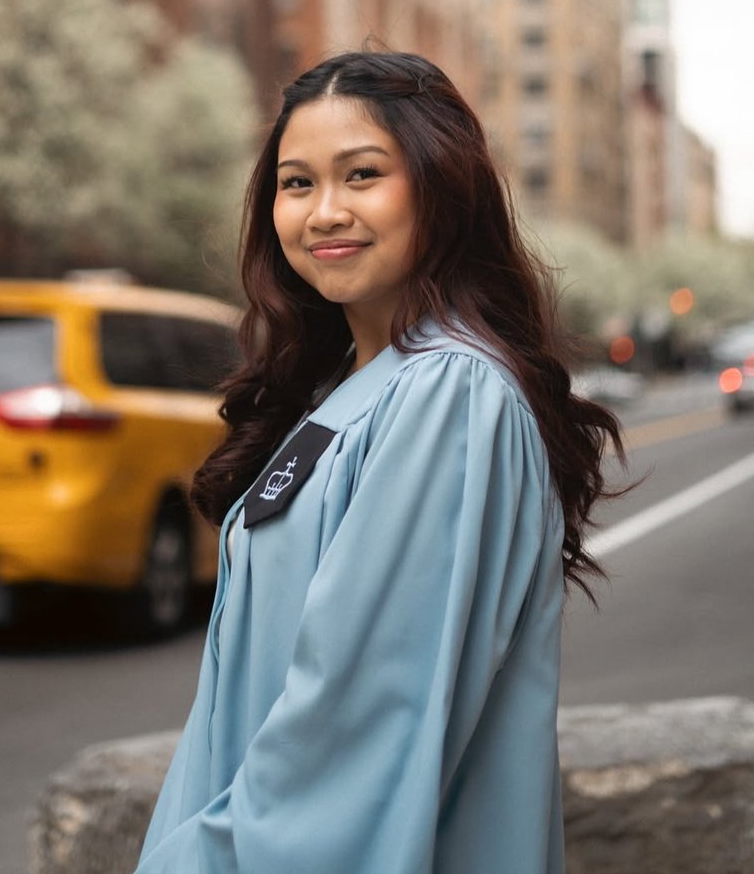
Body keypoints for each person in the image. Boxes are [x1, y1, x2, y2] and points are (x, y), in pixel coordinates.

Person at [134, 51, 622, 874]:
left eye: (362, 175)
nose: (324, 212)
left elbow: (351, 733)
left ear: (442, 187)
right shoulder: (344, 388)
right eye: (297, 184)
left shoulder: (451, 393)